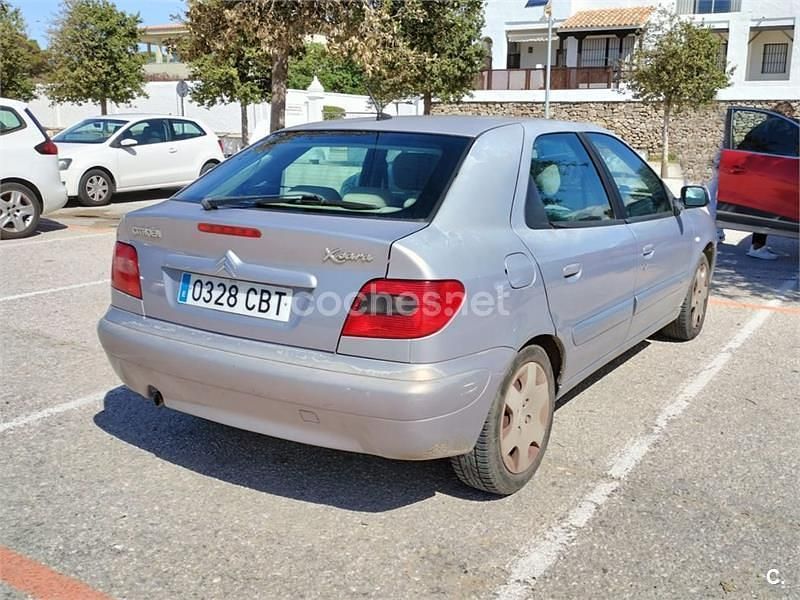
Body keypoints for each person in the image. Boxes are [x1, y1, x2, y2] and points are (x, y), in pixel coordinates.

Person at [746, 101, 796, 260]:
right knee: (768, 211)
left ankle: (759, 246)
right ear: (787, 114)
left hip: (763, 171)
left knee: (766, 210)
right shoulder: (782, 127)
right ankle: (757, 247)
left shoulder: (766, 125)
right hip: (774, 172)